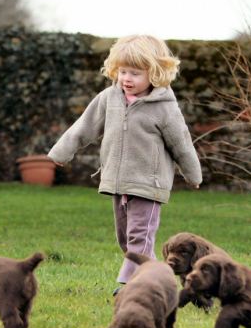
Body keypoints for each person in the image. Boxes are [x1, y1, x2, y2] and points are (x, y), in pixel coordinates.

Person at [47, 34, 202, 295]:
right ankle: (157, 281)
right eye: (123, 71)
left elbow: (182, 144)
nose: (127, 78)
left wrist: (193, 173)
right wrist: (61, 153)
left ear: (154, 74)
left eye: (136, 73)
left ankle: (132, 286)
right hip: (117, 184)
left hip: (148, 186)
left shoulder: (164, 108)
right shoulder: (109, 98)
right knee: (126, 239)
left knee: (139, 239)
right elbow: (84, 127)